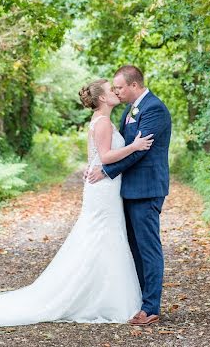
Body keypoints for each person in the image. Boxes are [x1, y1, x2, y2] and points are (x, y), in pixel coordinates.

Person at [0, 78, 153, 328]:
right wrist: (134, 146)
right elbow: (105, 156)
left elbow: (93, 157)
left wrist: (96, 166)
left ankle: (101, 295)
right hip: (103, 189)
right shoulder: (102, 122)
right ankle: (102, 299)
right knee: (102, 236)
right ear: (102, 98)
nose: (115, 92)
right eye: (110, 90)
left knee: (103, 237)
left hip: (104, 187)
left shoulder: (102, 121)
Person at [88, 65, 171, 326]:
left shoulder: (154, 109)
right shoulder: (128, 110)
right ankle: (138, 301)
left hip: (147, 189)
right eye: (114, 88)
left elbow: (140, 151)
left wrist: (107, 170)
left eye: (120, 87)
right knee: (133, 247)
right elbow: (120, 146)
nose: (117, 92)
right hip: (128, 189)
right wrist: (98, 165)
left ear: (134, 85)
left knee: (148, 248)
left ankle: (151, 307)